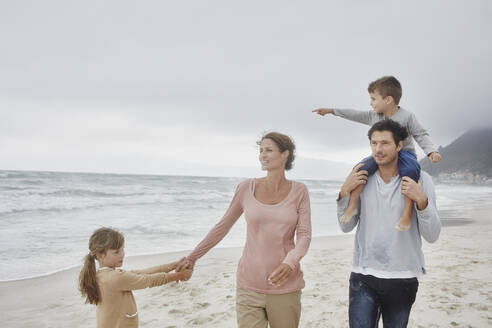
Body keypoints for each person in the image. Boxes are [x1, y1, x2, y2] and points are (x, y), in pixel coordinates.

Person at [176, 132, 312, 328]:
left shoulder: (299, 191)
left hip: (285, 285)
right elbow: (222, 227)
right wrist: (192, 257)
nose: (262, 155)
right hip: (248, 284)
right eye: (261, 150)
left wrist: (290, 262)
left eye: (269, 150)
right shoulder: (246, 188)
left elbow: (305, 236)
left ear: (285, 155)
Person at [337, 120, 441, 327]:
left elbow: (432, 235)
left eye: (384, 143)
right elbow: (346, 226)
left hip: (403, 276)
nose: (378, 149)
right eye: (374, 143)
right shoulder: (361, 179)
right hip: (363, 274)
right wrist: (343, 194)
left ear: (399, 145)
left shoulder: (422, 180)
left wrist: (421, 201)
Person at [313, 75, 441, 231]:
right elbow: (354, 114)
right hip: (381, 157)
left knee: (409, 173)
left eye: (373, 99)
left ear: (388, 100)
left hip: (406, 154)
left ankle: (407, 213)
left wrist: (431, 152)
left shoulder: (407, 116)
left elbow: (420, 134)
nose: (370, 103)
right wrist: (332, 111)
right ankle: (352, 205)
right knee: (360, 169)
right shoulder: (374, 116)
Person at [78, 227, 192, 328]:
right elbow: (149, 280)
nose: (122, 254)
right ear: (99, 255)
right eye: (116, 252)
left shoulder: (102, 275)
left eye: (122, 249)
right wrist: (180, 275)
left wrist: (173, 265)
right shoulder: (115, 278)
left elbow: (143, 273)